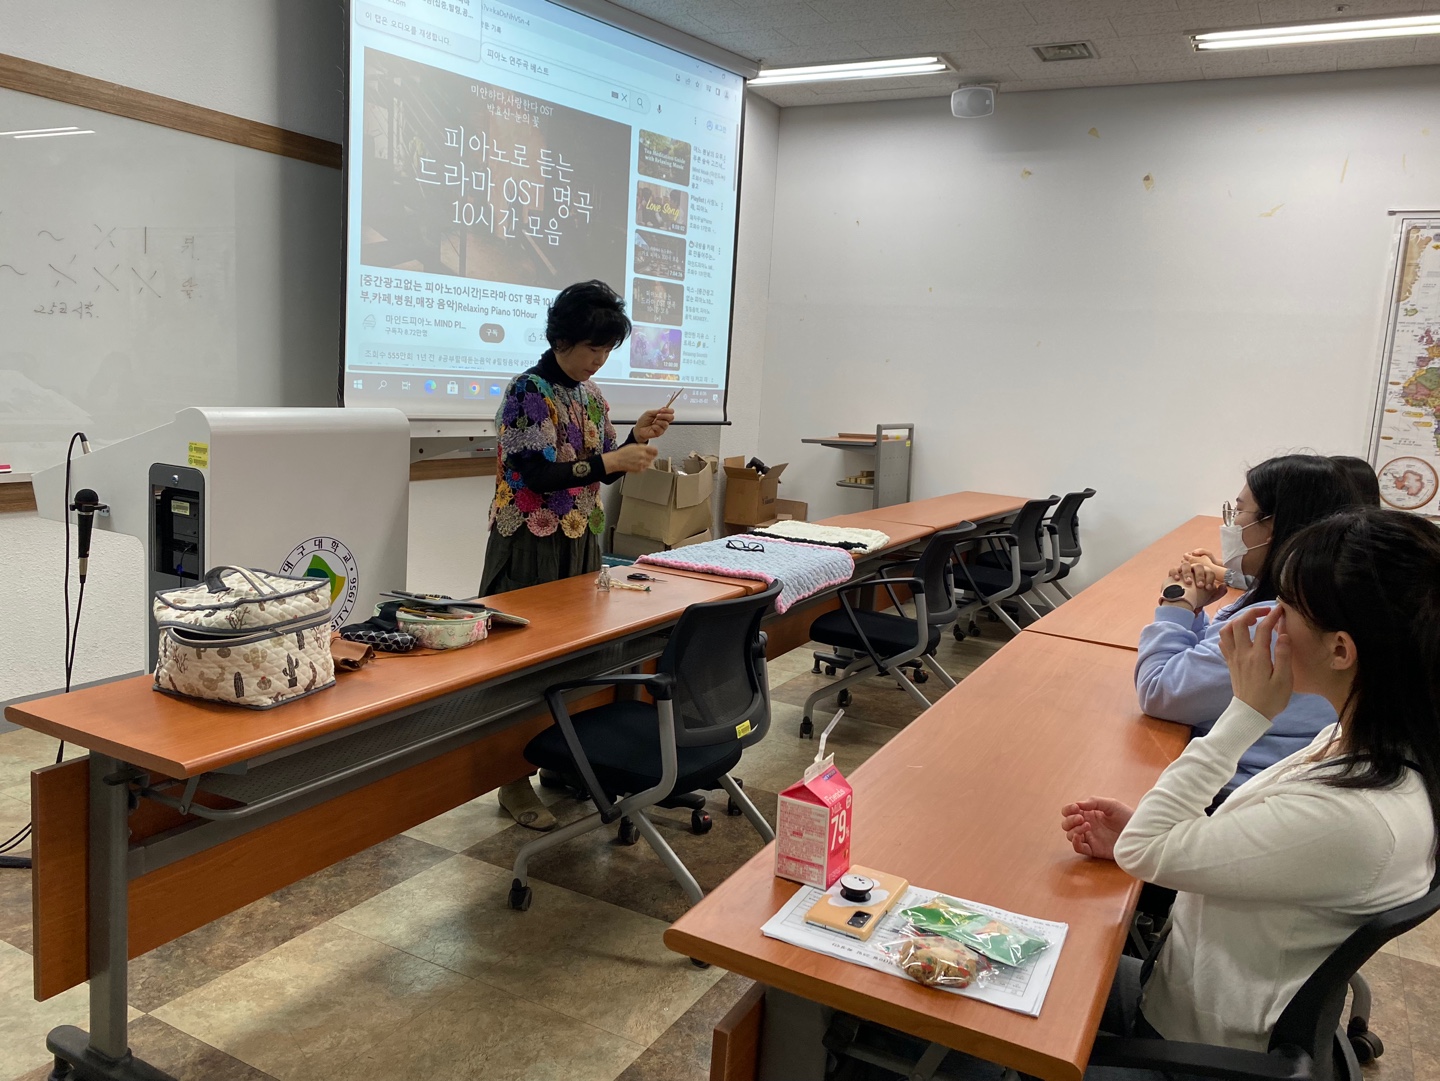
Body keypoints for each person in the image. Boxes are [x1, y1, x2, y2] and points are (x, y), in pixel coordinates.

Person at [1063, 506, 1440, 1050]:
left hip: (1189, 1043)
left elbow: (1144, 851)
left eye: (1286, 607)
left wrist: (1247, 712)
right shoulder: (1366, 740)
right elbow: (1259, 845)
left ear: (1340, 649)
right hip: (1189, 987)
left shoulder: (1353, 814)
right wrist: (1162, 835)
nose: (1267, 618)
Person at [481, 280, 674, 828]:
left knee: (573, 660)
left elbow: (598, 463)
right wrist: (612, 462)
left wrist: (633, 438)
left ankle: (559, 760)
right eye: (593, 347)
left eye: (608, 349)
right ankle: (510, 781)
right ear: (561, 337)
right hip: (529, 541)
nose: (599, 359)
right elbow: (536, 474)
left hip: (579, 537)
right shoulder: (528, 391)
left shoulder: (591, 397)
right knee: (518, 665)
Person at [1136, 455, 1359, 795]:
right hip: (1273, 783)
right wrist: (1196, 611)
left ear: (1273, 526)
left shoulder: (1273, 623)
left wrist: (1176, 604)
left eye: (1238, 511)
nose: (1232, 524)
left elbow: (1158, 691)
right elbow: (1210, 668)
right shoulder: (1325, 600)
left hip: (1234, 793)